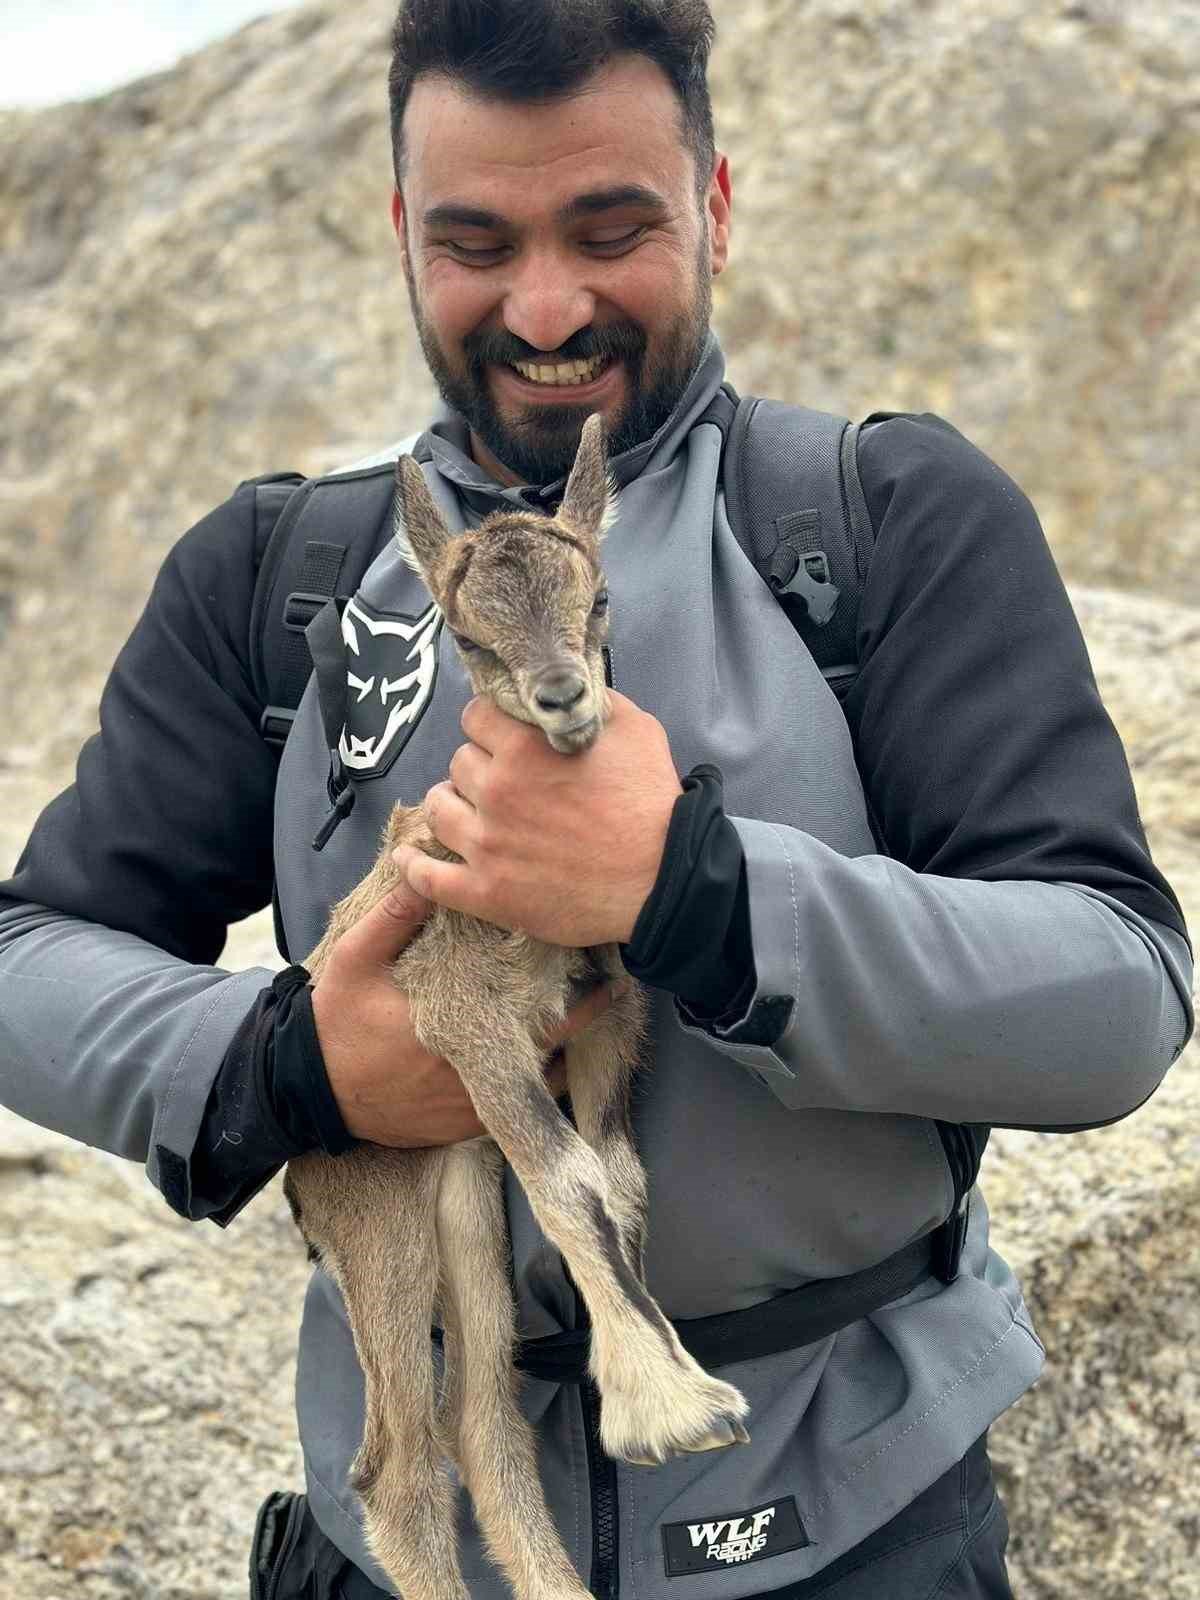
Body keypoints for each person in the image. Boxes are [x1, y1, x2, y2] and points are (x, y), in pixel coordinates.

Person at [1, 1, 1192, 1596]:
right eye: (474, 240)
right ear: (399, 231)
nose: (546, 304)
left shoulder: (885, 524)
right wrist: (292, 1061)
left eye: (611, 228)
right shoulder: (272, 575)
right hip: (404, 1544)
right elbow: (29, 957)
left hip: (851, 1539)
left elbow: (1117, 998)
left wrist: (693, 888)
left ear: (712, 203)